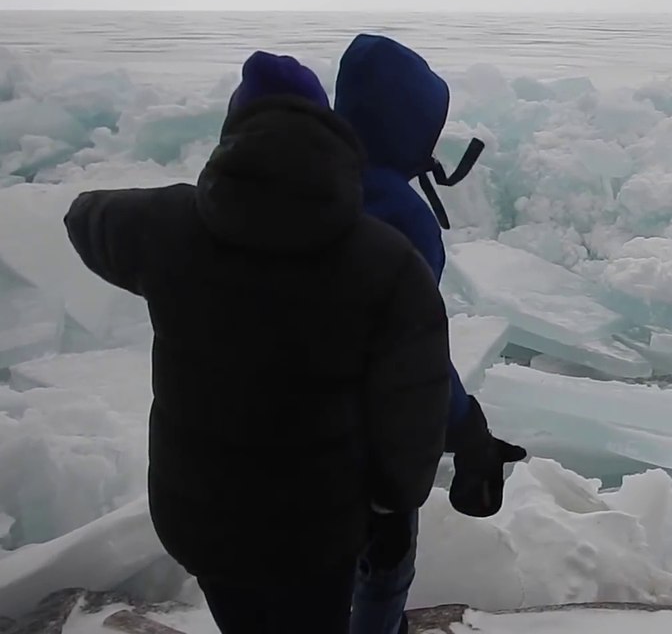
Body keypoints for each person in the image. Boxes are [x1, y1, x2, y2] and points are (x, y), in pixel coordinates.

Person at [63, 51, 454, 634]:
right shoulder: (386, 262)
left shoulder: (165, 226)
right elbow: (414, 403)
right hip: (316, 530)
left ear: (234, 133)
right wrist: (395, 501)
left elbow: (83, 218)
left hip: (199, 516)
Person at [334, 33, 527, 634]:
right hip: (362, 442)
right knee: (383, 559)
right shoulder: (396, 210)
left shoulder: (316, 178)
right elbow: (409, 355)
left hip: (278, 423)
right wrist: (468, 432)